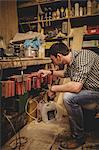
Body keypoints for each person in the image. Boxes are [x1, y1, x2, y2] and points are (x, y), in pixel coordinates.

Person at [38, 42, 99, 149]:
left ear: (59, 56)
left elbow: (76, 87)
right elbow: (65, 74)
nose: (54, 63)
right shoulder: (72, 61)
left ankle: (78, 138)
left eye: (53, 60)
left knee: (69, 97)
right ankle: (86, 126)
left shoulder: (83, 57)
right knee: (73, 96)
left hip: (97, 90)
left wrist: (53, 88)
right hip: (92, 90)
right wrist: (49, 72)